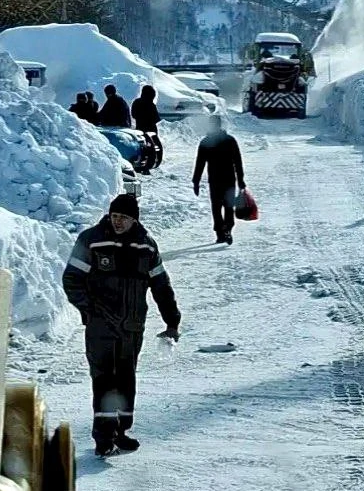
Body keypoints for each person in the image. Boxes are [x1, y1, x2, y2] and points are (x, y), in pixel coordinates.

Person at [62, 193, 181, 456]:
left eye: (124, 218)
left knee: (126, 378)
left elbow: (161, 285)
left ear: (133, 220)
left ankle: (121, 431)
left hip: (132, 325)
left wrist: (172, 319)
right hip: (100, 326)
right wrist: (89, 310)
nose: (118, 222)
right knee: (104, 378)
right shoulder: (91, 240)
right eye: (115, 216)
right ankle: (103, 438)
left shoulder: (146, 246)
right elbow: (71, 279)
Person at [192, 114, 246, 245]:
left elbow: (200, 163)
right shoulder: (230, 140)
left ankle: (220, 233)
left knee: (216, 207)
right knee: (228, 206)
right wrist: (240, 180)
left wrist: (196, 181)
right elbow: (237, 162)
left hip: (215, 180)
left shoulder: (206, 142)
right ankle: (227, 228)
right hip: (229, 179)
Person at [131, 84, 164, 172]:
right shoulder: (151, 104)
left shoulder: (137, 102)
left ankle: (140, 163)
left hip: (140, 128)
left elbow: (133, 114)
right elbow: (156, 118)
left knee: (142, 147)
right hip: (151, 129)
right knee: (152, 148)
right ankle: (148, 166)